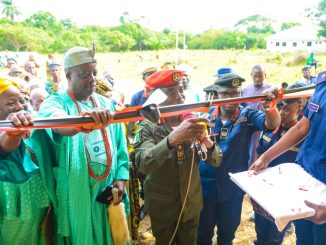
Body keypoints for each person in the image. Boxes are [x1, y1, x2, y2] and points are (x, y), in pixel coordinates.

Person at [29, 46, 130, 244]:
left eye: (94, 73)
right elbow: (57, 123)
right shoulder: (56, 102)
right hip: (76, 192)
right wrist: (79, 122)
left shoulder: (106, 104)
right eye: (84, 74)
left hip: (107, 190)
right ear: (68, 76)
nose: (92, 78)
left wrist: (121, 177)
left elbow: (120, 146)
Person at [134, 69, 222, 245]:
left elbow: (216, 160)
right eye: (172, 92)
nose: (180, 96)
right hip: (164, 208)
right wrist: (173, 138)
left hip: (191, 204)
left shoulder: (193, 120)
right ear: (157, 97)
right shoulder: (147, 127)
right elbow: (144, 163)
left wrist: (205, 140)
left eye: (181, 89)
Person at [197, 73, 281, 245]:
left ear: (241, 94)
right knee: (203, 235)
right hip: (205, 188)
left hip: (232, 190)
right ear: (217, 93)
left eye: (235, 93)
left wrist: (271, 108)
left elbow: (271, 124)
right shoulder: (204, 117)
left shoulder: (247, 114)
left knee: (227, 236)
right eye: (225, 94)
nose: (230, 98)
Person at [250, 71, 326, 245]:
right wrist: (265, 158)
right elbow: (302, 127)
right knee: (303, 239)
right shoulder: (322, 85)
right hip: (306, 181)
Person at [0, 76, 50, 245]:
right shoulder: (11, 129)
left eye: (21, 101)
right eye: (11, 103)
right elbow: (6, 144)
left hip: (35, 199)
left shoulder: (28, 122)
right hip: (10, 203)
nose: (19, 107)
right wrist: (13, 133)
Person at [254, 97, 303, 245]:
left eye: (287, 110)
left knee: (275, 236)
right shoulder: (271, 128)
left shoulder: (303, 135)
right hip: (263, 190)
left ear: (299, 111)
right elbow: (259, 151)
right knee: (261, 231)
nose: (282, 112)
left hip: (285, 193)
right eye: (280, 108)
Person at [242, 65, 272, 165]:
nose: (257, 79)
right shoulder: (246, 89)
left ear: (265, 75)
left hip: (262, 125)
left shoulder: (270, 90)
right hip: (245, 125)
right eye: (255, 76)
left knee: (255, 151)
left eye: (260, 76)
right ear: (251, 75)